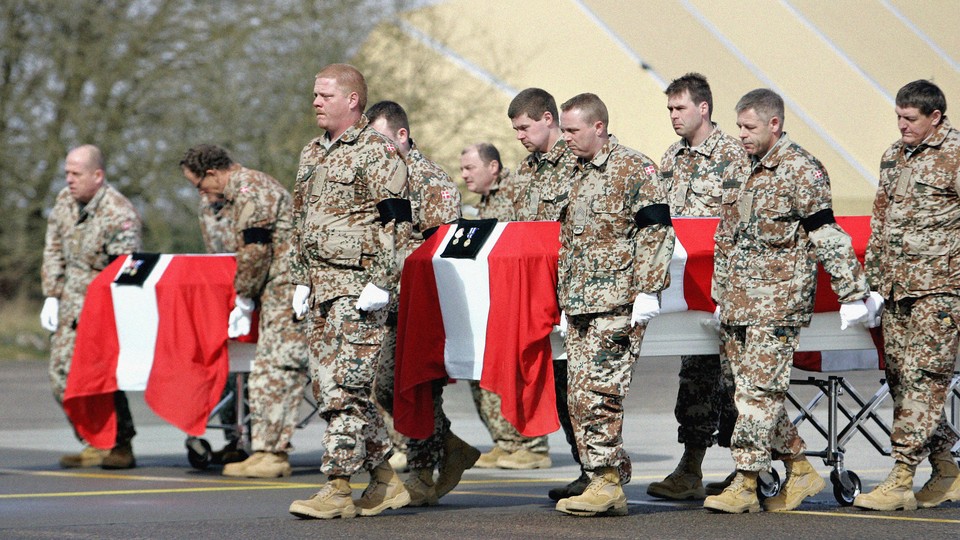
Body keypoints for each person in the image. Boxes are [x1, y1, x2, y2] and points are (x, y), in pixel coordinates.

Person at [703, 88, 874, 514]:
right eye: (739, 126)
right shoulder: (739, 168)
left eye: (749, 127)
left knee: (759, 393)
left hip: (778, 302)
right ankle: (799, 468)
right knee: (742, 392)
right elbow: (727, 239)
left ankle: (745, 481)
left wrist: (853, 292)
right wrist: (721, 294)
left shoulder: (802, 170)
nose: (740, 135)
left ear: (774, 124)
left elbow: (826, 234)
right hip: (739, 302)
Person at [286, 63, 412, 520]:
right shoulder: (312, 153)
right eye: (314, 95)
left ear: (352, 100)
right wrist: (300, 276)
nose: (315, 102)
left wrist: (382, 280)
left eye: (325, 96)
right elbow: (300, 222)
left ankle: (337, 487)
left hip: (359, 290)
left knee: (345, 387)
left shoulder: (377, 153)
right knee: (331, 388)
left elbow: (397, 221)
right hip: (320, 289)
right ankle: (385, 480)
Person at [554, 93, 675, 516]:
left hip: (618, 303)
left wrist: (648, 290)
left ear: (598, 127)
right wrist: (566, 302)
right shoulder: (575, 172)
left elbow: (657, 232)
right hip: (582, 303)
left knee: (600, 395)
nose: (565, 138)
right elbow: (571, 241)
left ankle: (606, 483)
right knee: (577, 396)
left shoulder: (633, 168)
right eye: (564, 130)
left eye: (572, 130)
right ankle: (604, 473)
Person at [365, 100, 480, 506]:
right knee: (384, 386)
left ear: (401, 135)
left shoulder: (430, 180)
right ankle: (448, 445)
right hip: (387, 303)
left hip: (422, 301)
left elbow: (440, 248)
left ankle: (421, 470)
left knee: (413, 385)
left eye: (379, 140)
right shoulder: (379, 178)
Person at [854, 80, 960, 511]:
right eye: (898, 117)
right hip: (897, 289)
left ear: (935, 117)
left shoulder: (954, 156)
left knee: (924, 380)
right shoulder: (893, 156)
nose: (902, 126)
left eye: (910, 119)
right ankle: (947, 468)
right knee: (901, 381)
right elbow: (880, 222)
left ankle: (900, 479)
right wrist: (872, 286)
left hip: (941, 289)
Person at [180, 144, 309, 479]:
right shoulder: (243, 191)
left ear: (212, 173)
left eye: (200, 184)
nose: (202, 193)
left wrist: (244, 294)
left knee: (277, 370)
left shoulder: (251, 189)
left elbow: (254, 248)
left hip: (286, 286)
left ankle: (274, 454)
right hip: (275, 288)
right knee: (266, 368)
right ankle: (264, 448)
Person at [647, 73, 746, 501]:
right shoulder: (672, 156)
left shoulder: (733, 154)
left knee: (738, 382)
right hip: (689, 288)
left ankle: (750, 469)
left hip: (726, 286)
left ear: (703, 108)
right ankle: (690, 467)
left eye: (680, 108)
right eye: (669, 109)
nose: (673, 116)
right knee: (696, 377)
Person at [40, 144, 142, 469]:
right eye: (66, 172)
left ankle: (120, 443)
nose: (68, 180)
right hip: (70, 303)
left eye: (76, 173)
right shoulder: (63, 201)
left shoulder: (119, 213)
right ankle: (93, 440)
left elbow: (125, 271)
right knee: (61, 375)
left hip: (103, 307)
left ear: (97, 176)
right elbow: (53, 248)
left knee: (103, 378)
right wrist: (51, 294)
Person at [506, 88, 582, 497]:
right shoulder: (525, 171)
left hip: (575, 293)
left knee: (582, 389)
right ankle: (586, 469)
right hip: (539, 298)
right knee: (557, 386)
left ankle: (601, 471)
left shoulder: (577, 163)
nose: (519, 135)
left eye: (524, 126)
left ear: (548, 118)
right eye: (515, 128)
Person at [459, 142, 552, 470]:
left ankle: (534, 445)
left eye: (470, 168)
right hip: (492, 297)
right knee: (486, 371)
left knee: (519, 370)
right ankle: (507, 441)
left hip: (519, 297)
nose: (464, 175)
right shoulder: (484, 202)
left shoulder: (517, 191)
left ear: (493, 168)